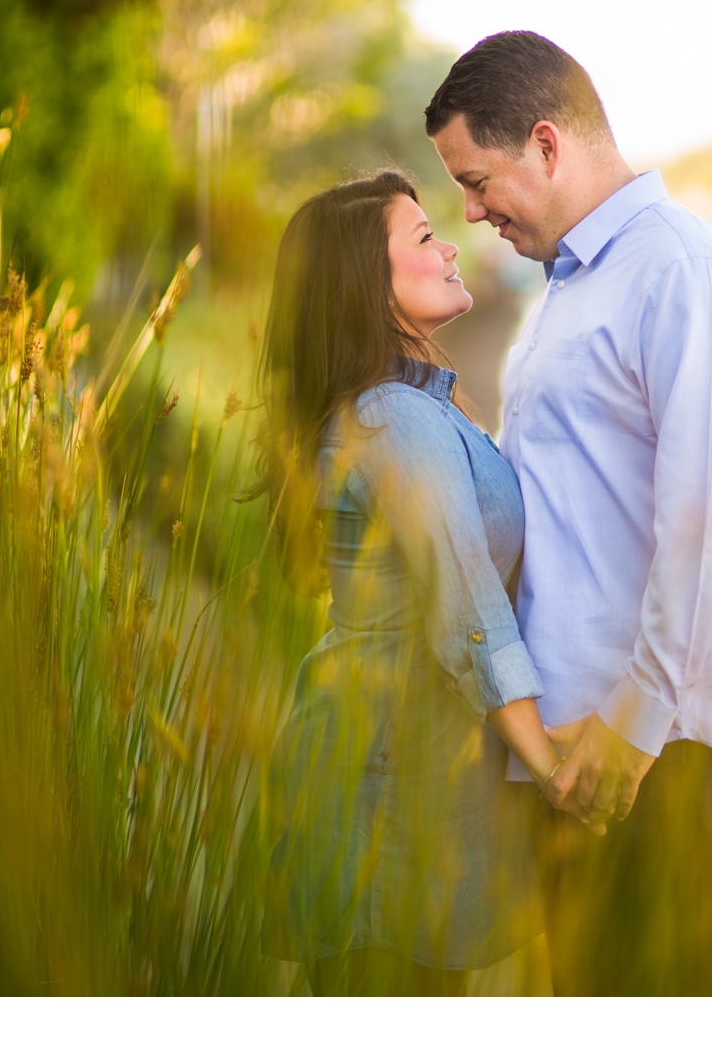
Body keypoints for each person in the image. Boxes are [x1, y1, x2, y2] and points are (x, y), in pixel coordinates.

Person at [425, 31, 712, 995]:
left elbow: (710, 513)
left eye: (476, 179)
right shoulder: (574, 284)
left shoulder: (680, 269)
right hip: (587, 750)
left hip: (659, 749)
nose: (469, 212)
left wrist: (631, 728)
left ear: (546, 145)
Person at [254, 170, 575, 995]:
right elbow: (468, 611)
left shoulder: (415, 408)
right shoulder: (392, 417)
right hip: (386, 789)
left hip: (407, 767)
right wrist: (553, 767)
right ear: (370, 281)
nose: (451, 246)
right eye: (424, 238)